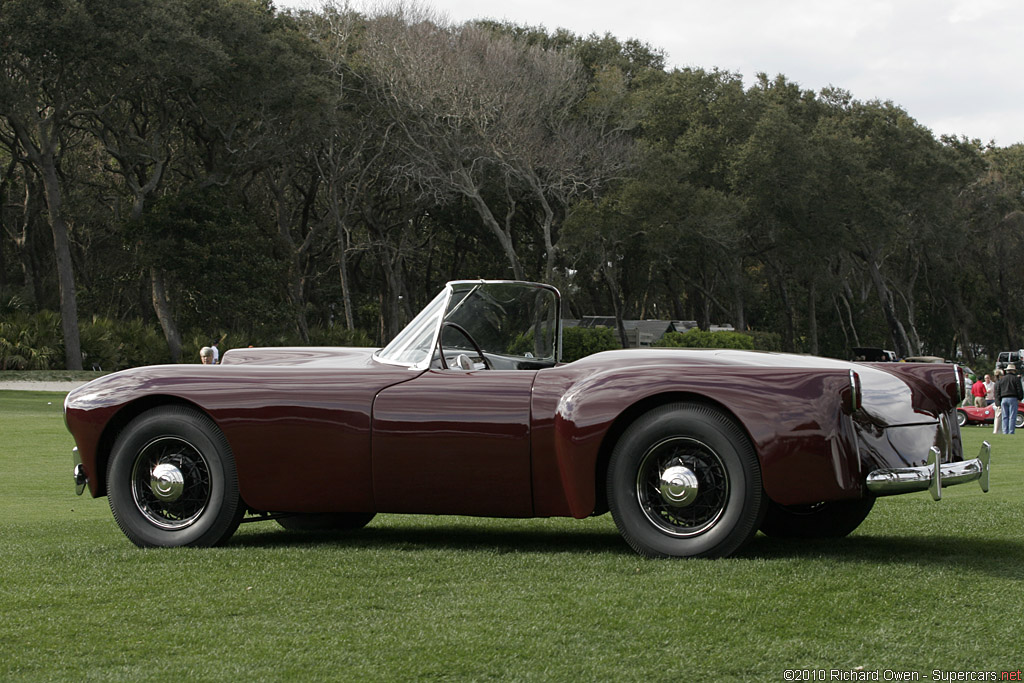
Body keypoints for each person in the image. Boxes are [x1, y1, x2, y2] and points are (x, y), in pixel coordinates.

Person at [996, 364, 1024, 434]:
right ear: (1013, 371)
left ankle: (1005, 431)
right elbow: (1019, 389)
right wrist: (1020, 398)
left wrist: (998, 402)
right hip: (1013, 398)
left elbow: (998, 391)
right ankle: (1011, 431)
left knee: (1004, 416)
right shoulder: (1016, 379)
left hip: (1003, 399)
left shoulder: (1002, 379)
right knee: (1012, 416)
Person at [992, 369, 1004, 434]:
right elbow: (997, 394)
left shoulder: (996, 383)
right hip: (999, 402)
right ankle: (996, 431)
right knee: (998, 417)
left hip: (997, 401)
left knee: (998, 416)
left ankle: (997, 430)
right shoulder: (999, 383)